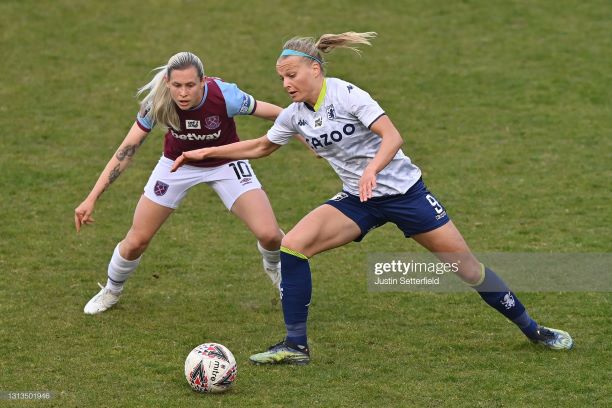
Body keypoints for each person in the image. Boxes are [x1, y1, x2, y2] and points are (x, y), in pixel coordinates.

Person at [171, 33, 574, 364]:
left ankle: (533, 329)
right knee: (293, 246)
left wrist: (372, 169)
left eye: (291, 75)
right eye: (281, 79)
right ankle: (296, 346)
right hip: (357, 200)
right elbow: (260, 147)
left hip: (405, 195)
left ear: (315, 69)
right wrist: (204, 153)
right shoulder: (295, 114)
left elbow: (392, 136)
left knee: (467, 269)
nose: (286, 84)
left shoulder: (347, 95)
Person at [75, 51, 285, 315]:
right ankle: (111, 290)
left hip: (226, 161)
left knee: (269, 234)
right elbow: (127, 150)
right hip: (177, 165)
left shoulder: (224, 95)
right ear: (167, 82)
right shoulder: (157, 103)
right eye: (176, 85)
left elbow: (276, 114)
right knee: (137, 239)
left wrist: (307, 135)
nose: (183, 93)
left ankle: (276, 269)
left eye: (190, 85)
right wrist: (92, 197)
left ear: (203, 81)